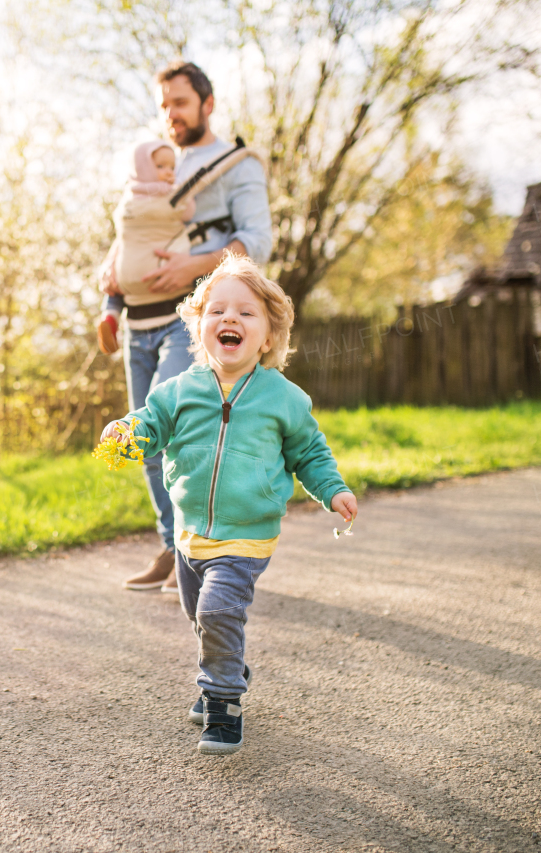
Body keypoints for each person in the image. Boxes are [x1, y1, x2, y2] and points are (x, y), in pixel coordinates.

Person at [99, 254, 358, 755]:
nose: (230, 319)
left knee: (219, 611)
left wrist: (334, 490)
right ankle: (229, 664)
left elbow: (309, 452)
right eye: (217, 311)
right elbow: (149, 426)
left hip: (247, 535)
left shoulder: (282, 398)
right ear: (200, 328)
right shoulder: (178, 391)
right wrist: (125, 436)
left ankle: (222, 702)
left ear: (268, 335)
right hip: (190, 535)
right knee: (200, 614)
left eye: (246, 312)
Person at [107, 61, 274, 595]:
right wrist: (109, 281)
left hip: (194, 318)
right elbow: (129, 234)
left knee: (162, 414)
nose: (170, 115)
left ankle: (202, 548)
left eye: (179, 103)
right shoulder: (156, 166)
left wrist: (191, 266)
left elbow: (257, 241)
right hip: (140, 319)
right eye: (164, 105)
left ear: (207, 103)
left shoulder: (236, 166)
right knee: (144, 434)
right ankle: (173, 542)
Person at [95, 141, 196, 355]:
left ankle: (109, 316)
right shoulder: (169, 193)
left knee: (114, 284)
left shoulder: (128, 196)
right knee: (117, 279)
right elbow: (188, 213)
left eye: (171, 167)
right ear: (143, 167)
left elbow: (123, 236)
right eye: (160, 167)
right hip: (154, 280)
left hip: (127, 276)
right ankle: (110, 318)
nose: (168, 172)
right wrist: (182, 189)